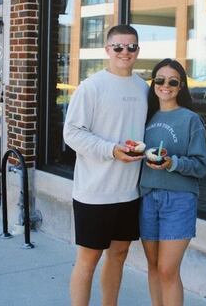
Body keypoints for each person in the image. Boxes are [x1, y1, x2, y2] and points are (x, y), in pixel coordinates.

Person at [63, 24, 149, 306]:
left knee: (120, 255)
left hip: (128, 193)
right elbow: (72, 133)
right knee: (88, 259)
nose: (125, 52)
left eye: (131, 46)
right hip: (94, 192)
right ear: (107, 50)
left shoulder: (143, 88)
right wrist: (111, 150)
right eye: (119, 47)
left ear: (138, 49)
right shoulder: (91, 87)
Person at [140, 58, 206, 306]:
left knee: (168, 270)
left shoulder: (191, 119)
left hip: (179, 200)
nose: (165, 85)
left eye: (172, 81)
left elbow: (202, 165)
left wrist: (172, 163)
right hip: (147, 198)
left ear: (181, 86)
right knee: (153, 266)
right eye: (159, 80)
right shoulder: (145, 116)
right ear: (153, 83)